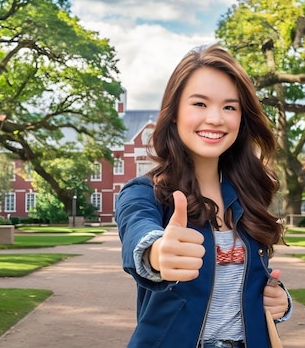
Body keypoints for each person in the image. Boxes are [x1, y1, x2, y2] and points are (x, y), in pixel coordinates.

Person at [115, 44, 292, 348]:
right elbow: (137, 229)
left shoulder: (248, 195)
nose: (215, 118)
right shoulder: (144, 192)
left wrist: (281, 301)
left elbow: (250, 283)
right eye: (199, 104)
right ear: (174, 114)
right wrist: (156, 252)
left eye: (229, 107)